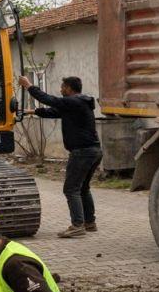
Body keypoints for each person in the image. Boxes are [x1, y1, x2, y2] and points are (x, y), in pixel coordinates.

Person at [18, 75, 102, 238]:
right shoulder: (79, 103)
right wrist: (33, 111)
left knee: (71, 189)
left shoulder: (73, 102)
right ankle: (89, 222)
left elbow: (50, 100)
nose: (61, 90)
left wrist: (29, 86)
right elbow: (54, 112)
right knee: (82, 188)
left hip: (82, 152)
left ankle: (77, 226)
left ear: (70, 88)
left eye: (63, 87)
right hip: (94, 151)